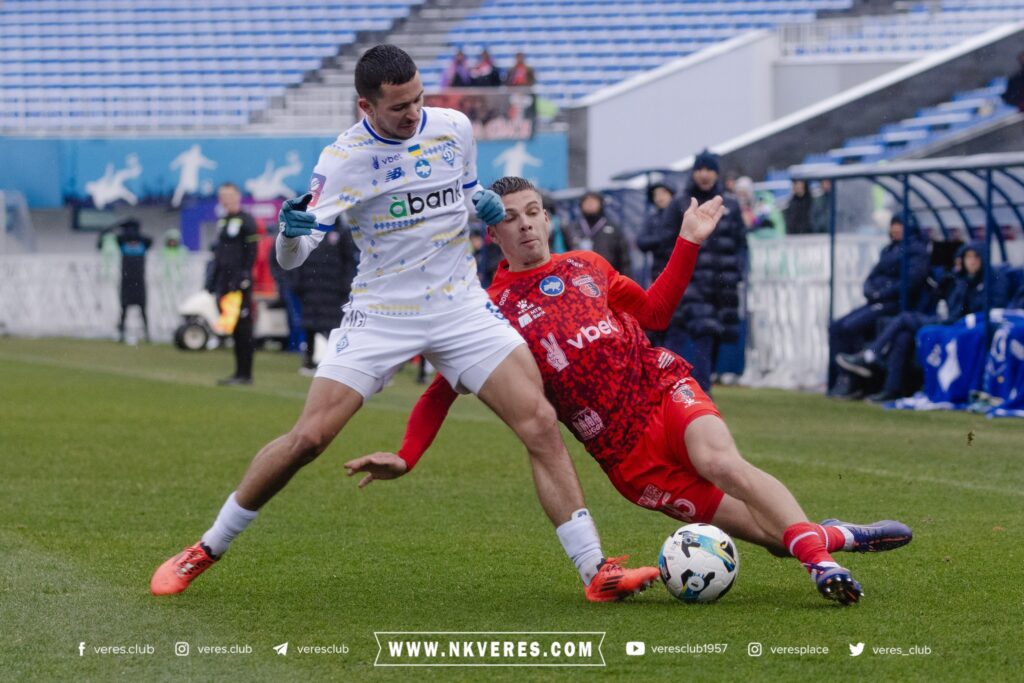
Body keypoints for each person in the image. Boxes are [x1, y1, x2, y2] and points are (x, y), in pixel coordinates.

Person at [151, 45, 654, 603]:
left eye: (419, 99)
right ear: (365, 105)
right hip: (383, 312)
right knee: (309, 439)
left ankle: (595, 571)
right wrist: (290, 234)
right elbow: (293, 258)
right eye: (400, 108)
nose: (415, 114)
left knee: (538, 422)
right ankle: (205, 548)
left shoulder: (453, 127)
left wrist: (480, 204)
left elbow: (463, 190)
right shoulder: (343, 159)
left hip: (459, 306)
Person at [346, 177, 913, 605]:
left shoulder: (588, 264)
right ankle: (836, 536)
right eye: (513, 219)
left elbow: (657, 311)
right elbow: (441, 391)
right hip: (629, 460)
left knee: (723, 462)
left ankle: (823, 568)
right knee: (765, 533)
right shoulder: (489, 312)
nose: (527, 225)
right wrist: (407, 455)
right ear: (492, 233)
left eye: (535, 213)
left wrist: (687, 242)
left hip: (662, 388)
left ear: (547, 217)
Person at [837, 242, 1008, 402]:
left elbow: (987, 308)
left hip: (961, 325)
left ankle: (872, 354)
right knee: (903, 336)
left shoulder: (993, 280)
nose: (971, 261)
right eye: (968, 257)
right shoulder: (959, 280)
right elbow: (948, 300)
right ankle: (891, 388)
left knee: (905, 318)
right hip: (950, 321)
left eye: (975, 257)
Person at [658, 150, 747, 392]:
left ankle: (688, 391)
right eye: (700, 169)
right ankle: (687, 392)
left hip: (721, 287)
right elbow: (665, 243)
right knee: (689, 335)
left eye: (709, 169)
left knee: (713, 336)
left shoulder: (729, 204)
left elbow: (741, 243)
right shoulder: (680, 203)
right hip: (689, 284)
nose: (704, 174)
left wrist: (737, 272)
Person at [828, 214, 929, 398]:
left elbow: (910, 283)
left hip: (896, 305)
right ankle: (840, 379)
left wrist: (882, 292)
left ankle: (857, 378)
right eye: (894, 225)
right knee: (836, 327)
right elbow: (872, 277)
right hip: (877, 301)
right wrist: (872, 291)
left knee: (850, 327)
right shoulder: (888, 250)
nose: (896, 229)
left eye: (900, 225)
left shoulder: (917, 252)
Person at [206, 182, 259, 386]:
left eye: (228, 195)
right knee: (234, 327)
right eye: (222, 196)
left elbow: (251, 251)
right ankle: (238, 372)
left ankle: (246, 373)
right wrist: (212, 280)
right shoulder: (223, 221)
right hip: (224, 283)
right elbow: (220, 254)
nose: (225, 199)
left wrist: (245, 276)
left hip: (239, 283)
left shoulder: (247, 221)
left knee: (244, 327)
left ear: (237, 196)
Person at [293, 227, 358, 374]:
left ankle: (333, 360)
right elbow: (298, 256)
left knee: (333, 327)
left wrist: (345, 284)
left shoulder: (341, 232)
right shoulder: (308, 229)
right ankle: (309, 360)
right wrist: (298, 282)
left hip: (333, 288)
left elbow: (349, 261)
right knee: (309, 326)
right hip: (311, 286)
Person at [97, 218, 152, 343]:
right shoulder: (122, 242)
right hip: (127, 281)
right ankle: (122, 333)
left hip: (139, 281)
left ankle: (147, 334)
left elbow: (149, 240)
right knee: (124, 310)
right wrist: (117, 226)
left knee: (142, 309)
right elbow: (107, 236)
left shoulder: (143, 242)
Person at [565, 191, 631, 274]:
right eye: (587, 202)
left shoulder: (613, 227)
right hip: (580, 277)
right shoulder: (573, 228)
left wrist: (626, 277)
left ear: (601, 204)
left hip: (608, 276)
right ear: (581, 205)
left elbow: (624, 257)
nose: (590, 204)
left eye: (593, 201)